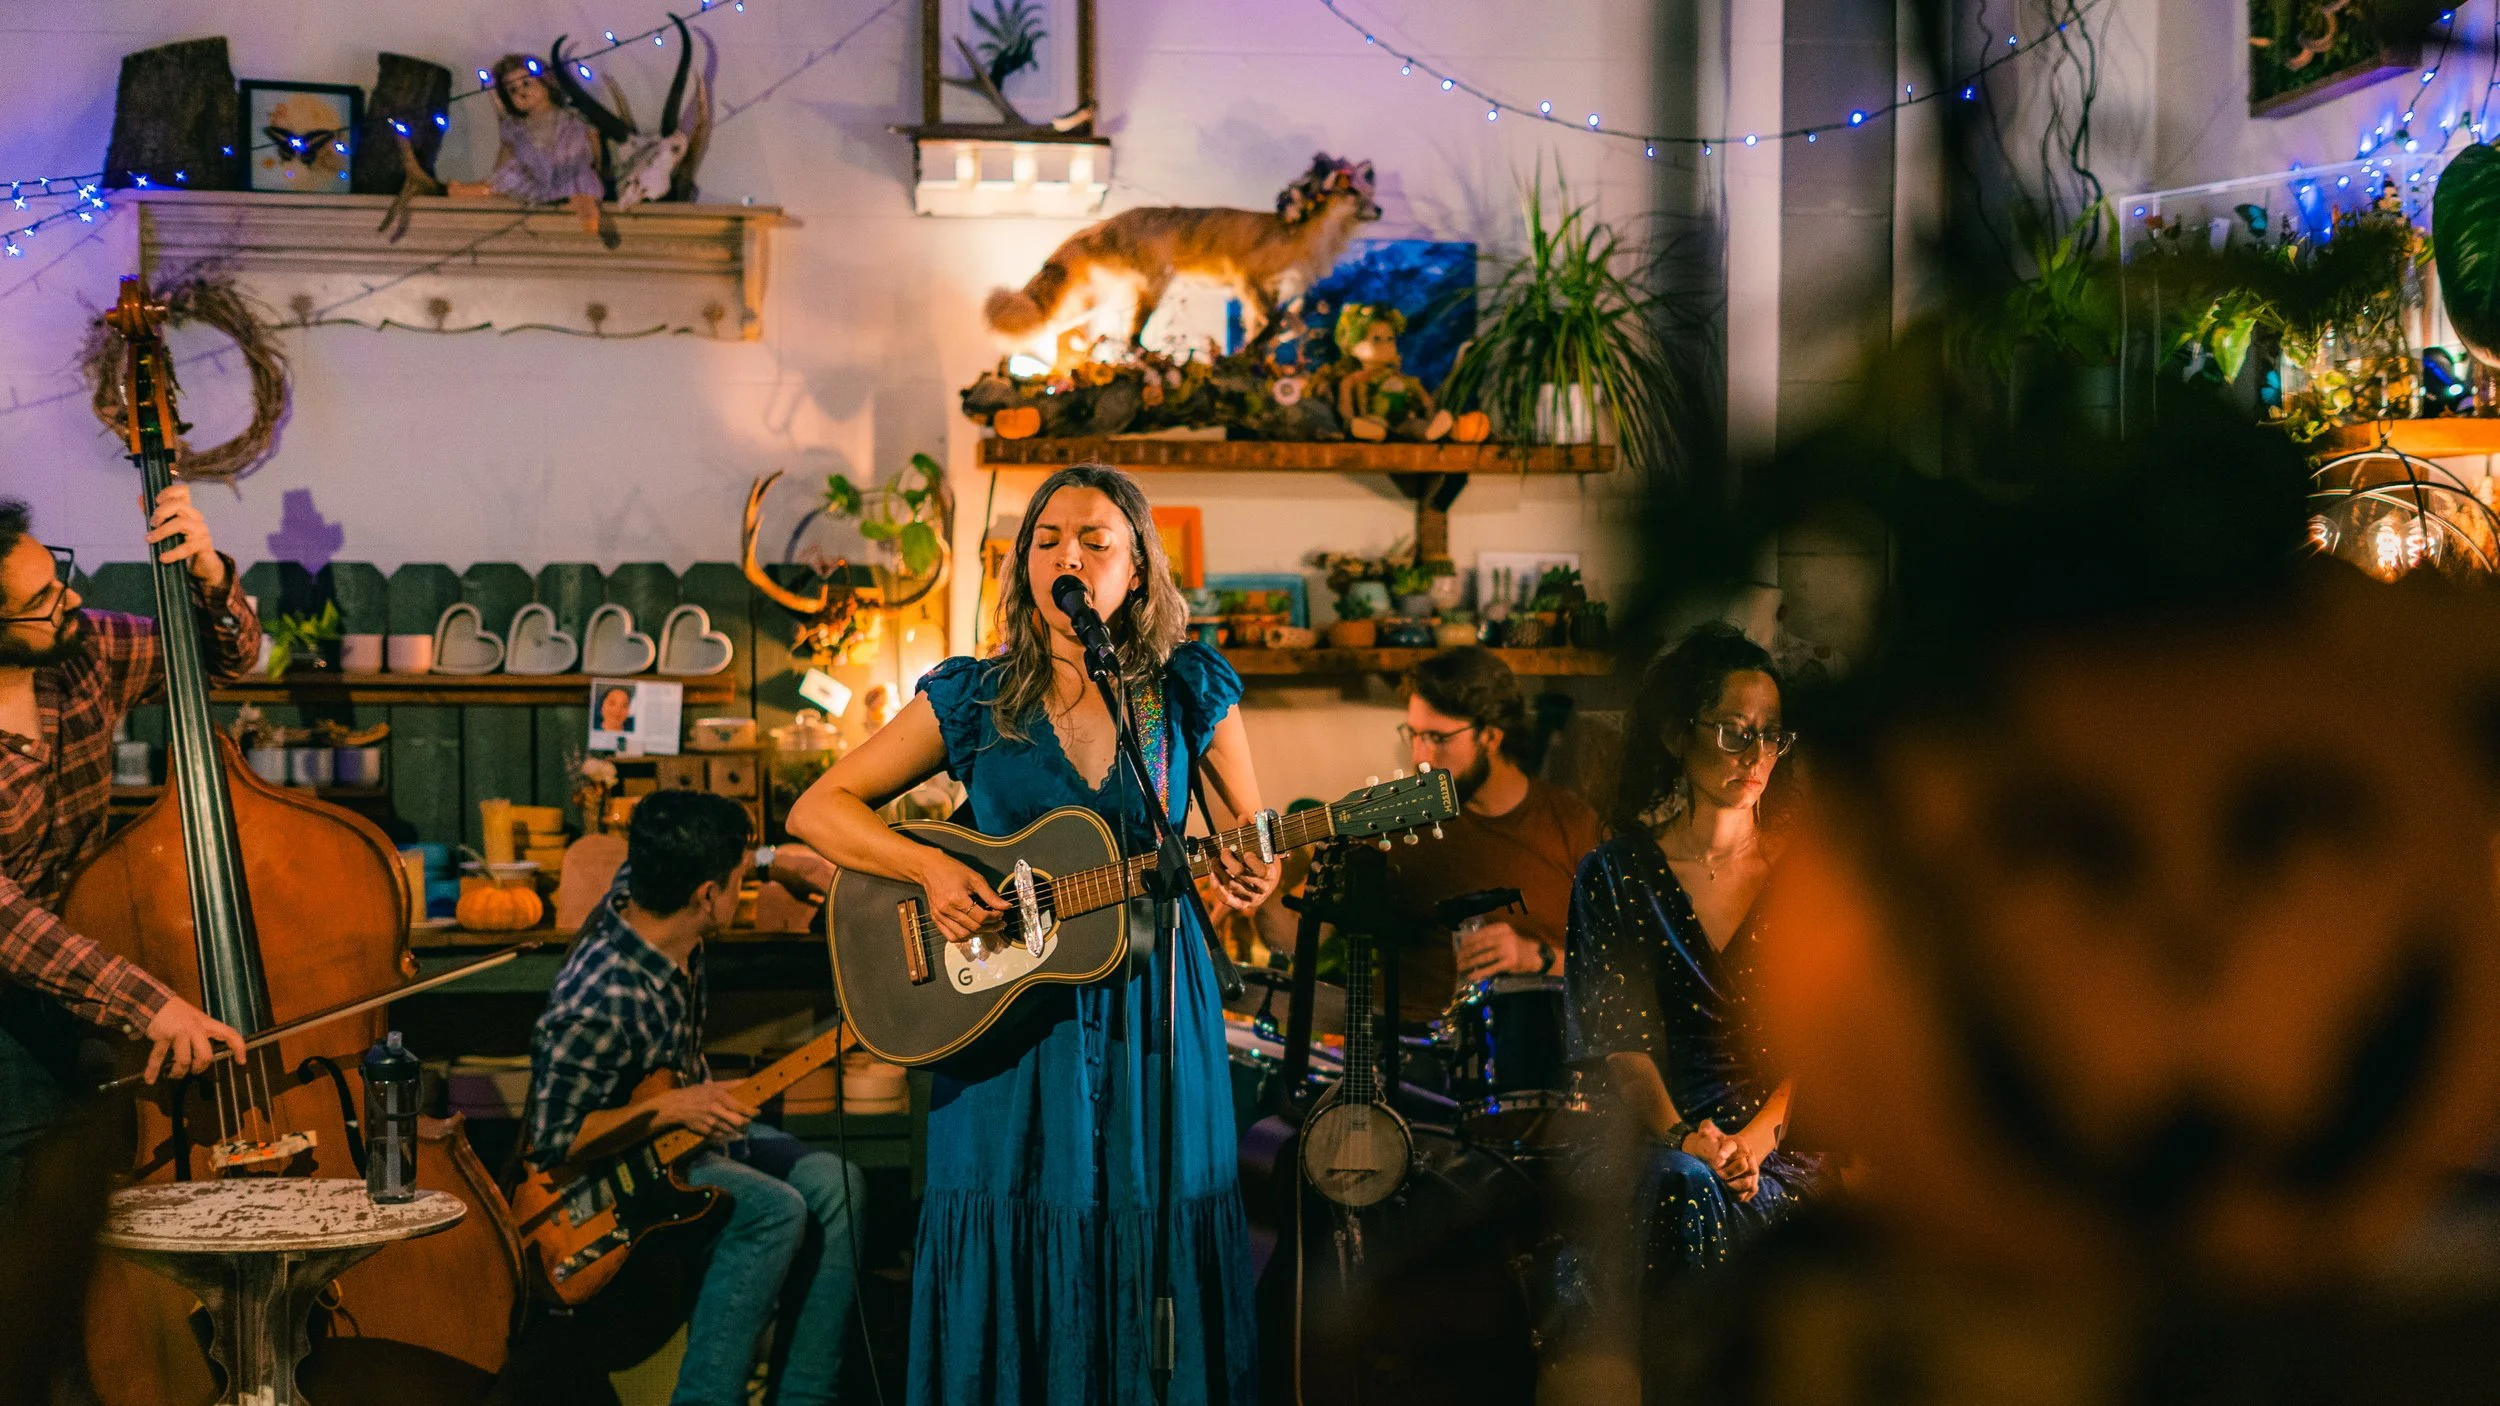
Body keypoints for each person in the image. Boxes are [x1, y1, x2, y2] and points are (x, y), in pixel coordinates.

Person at [787, 463, 1277, 1406]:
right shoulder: (973, 697)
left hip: (1152, 1009)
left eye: (1097, 542)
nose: (1071, 558)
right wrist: (929, 867)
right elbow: (822, 808)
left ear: (1136, 569)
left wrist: (1258, 870)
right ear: (1023, 568)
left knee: (1156, 1223)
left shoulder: (1182, 691)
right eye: (1049, 541)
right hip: (1000, 1017)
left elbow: (1246, 838)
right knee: (1012, 1219)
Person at [525, 790, 864, 1406]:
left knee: (837, 1185)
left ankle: (805, 1397)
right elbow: (552, 1139)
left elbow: (679, 851)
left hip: (690, 1120)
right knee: (775, 1209)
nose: (745, 888)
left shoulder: (653, 893)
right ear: (709, 896)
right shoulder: (597, 1002)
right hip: (624, 1162)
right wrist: (666, 1108)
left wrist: (769, 860)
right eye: (739, 881)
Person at [0, 494, 253, 1199]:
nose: (71, 597)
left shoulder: (83, 653)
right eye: (43, 599)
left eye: (61, 575)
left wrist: (207, 576)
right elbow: (8, 921)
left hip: (84, 982)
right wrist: (152, 1007)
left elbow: (225, 657)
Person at [1563, 623, 1825, 1277]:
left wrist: (1749, 1147)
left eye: (1772, 735)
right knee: (1677, 1186)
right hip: (1648, 1141)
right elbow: (1621, 1045)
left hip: (1774, 1150)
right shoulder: (1615, 873)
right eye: (1735, 731)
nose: (1757, 754)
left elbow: (1819, 1045)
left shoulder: (1808, 878)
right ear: (1679, 734)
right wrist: (1686, 1138)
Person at [1377, 646, 1601, 1025]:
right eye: (1413, 735)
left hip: (1530, 1065)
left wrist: (1537, 957)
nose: (1420, 757)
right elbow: (1298, 933)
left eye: (1437, 737)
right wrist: (1262, 877)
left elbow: (1623, 968)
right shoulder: (1396, 818)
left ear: (1491, 737)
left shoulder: (1572, 825)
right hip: (1406, 1061)